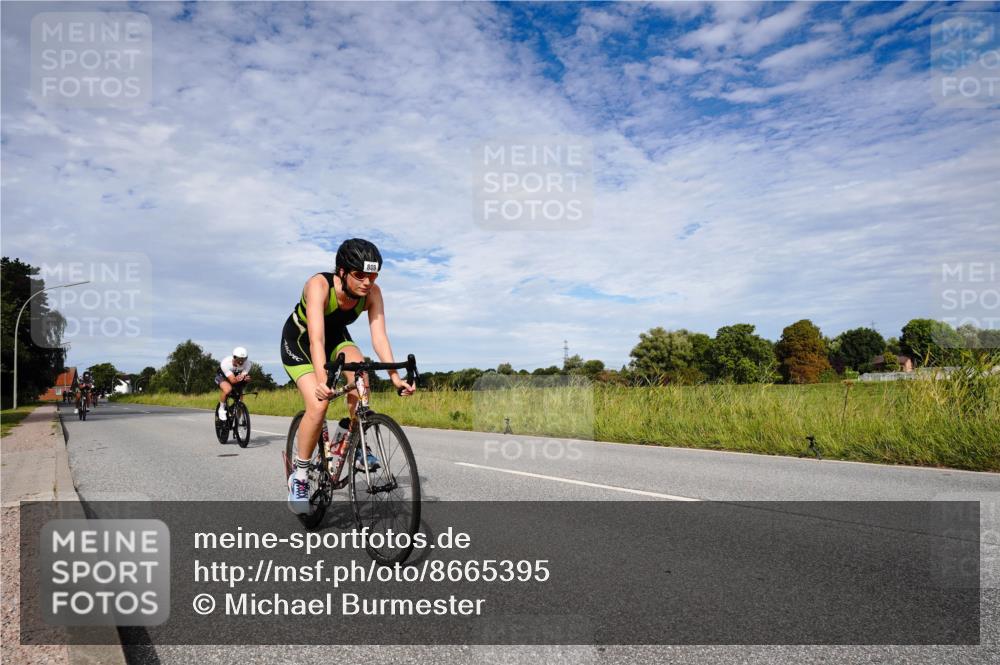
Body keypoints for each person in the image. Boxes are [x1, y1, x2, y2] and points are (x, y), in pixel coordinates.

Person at [280, 238, 415, 513]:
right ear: (341, 271)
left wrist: (394, 377)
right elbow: (316, 339)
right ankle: (301, 476)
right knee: (318, 405)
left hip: (336, 341)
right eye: (360, 275)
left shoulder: (372, 293)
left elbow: (379, 337)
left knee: (361, 375)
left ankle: (352, 435)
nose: (367, 282)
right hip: (301, 343)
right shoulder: (318, 285)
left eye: (373, 275)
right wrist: (323, 382)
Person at [216, 347, 252, 420]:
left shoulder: (248, 364)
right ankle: (221, 409)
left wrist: (247, 379)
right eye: (239, 359)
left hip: (235, 377)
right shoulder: (226, 363)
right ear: (234, 357)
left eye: (243, 359)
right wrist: (241, 378)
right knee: (228, 389)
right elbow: (232, 380)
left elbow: (243, 377)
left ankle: (236, 414)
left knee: (239, 395)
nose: (241, 362)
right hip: (222, 377)